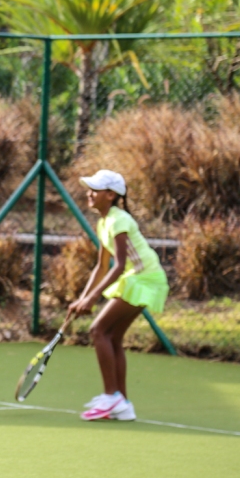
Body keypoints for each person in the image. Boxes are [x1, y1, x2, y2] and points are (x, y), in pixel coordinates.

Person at [68, 170, 169, 422]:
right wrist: (82, 298)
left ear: (111, 195)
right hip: (138, 278)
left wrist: (92, 300)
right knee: (112, 337)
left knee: (98, 330)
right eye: (90, 188)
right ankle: (122, 403)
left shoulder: (118, 220)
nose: (89, 194)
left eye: (95, 189)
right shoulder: (104, 222)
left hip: (144, 279)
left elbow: (119, 265)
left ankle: (110, 395)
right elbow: (100, 266)